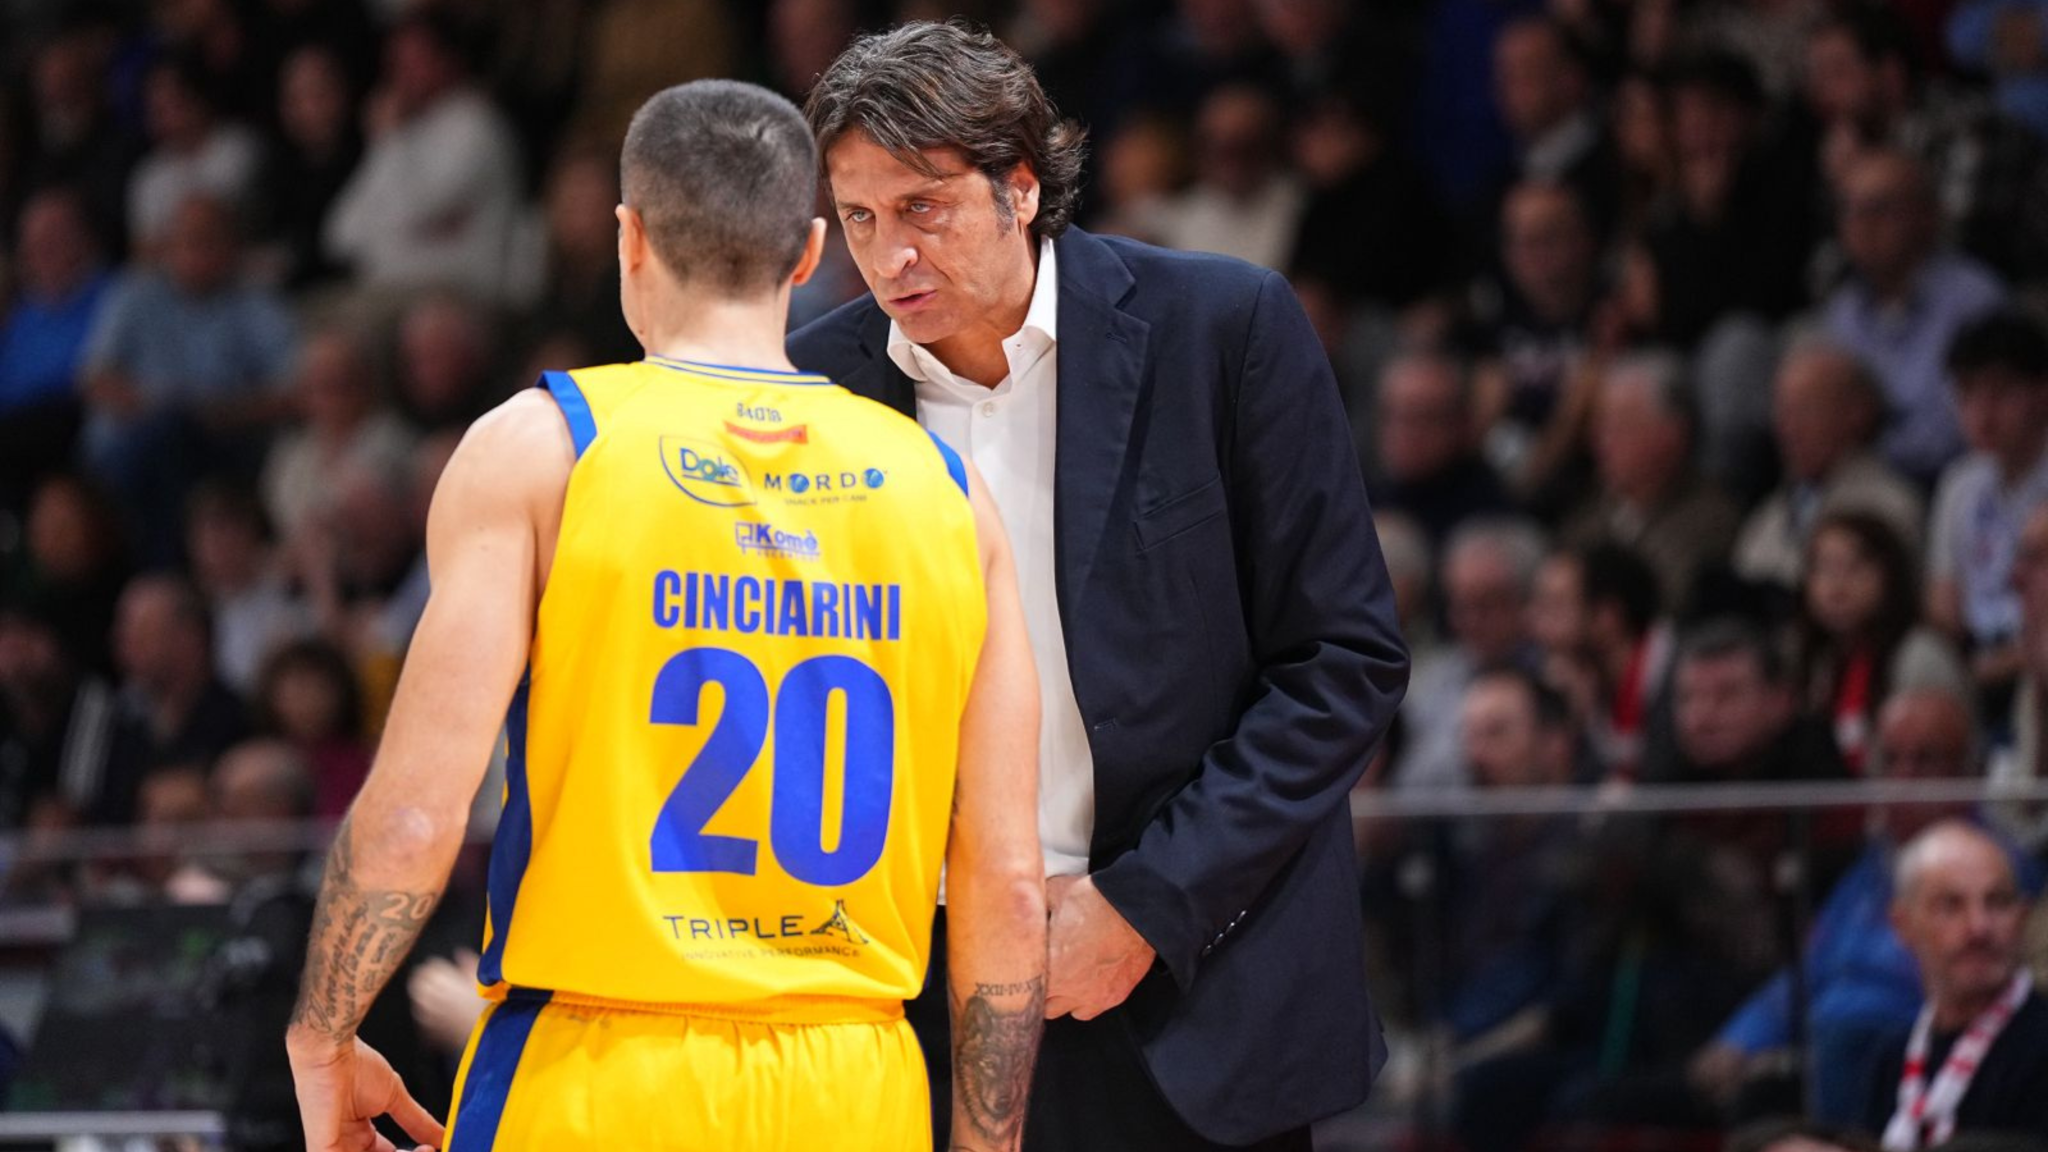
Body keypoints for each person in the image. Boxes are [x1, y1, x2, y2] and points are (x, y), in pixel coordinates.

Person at [284, 80, 1048, 1151]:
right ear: (807, 253)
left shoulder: (544, 447)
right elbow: (1006, 883)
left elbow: (415, 817)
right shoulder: (948, 493)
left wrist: (323, 1035)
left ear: (628, 237)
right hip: (856, 1080)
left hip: (599, 1069)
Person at [789, 21, 1409, 1152]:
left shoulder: (1222, 328)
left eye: (922, 208)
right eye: (860, 218)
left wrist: (1144, 907)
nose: (890, 258)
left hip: (1184, 978)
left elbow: (1340, 662)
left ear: (1020, 187)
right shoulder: (812, 387)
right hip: (905, 995)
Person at [1868, 821, 2048, 1147]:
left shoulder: (2040, 1047)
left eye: (1997, 902)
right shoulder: (1891, 1056)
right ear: (1903, 924)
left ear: (2022, 918)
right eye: (1951, 905)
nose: (1979, 927)